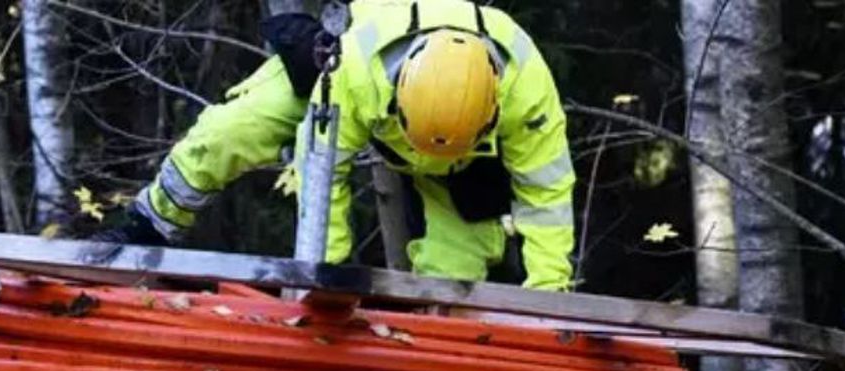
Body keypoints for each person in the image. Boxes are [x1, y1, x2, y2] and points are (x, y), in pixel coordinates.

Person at [97, 0, 576, 291]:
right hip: (347, 80)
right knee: (231, 131)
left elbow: (548, 200)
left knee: (457, 280)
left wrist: (550, 300)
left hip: (466, 162)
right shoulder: (356, 71)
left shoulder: (529, 93)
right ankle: (148, 225)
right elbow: (323, 172)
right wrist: (322, 279)